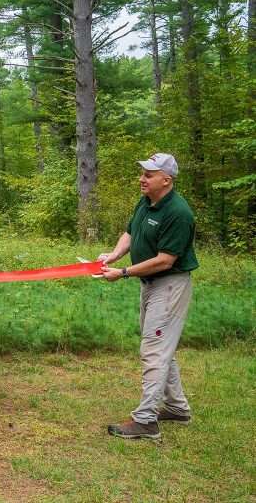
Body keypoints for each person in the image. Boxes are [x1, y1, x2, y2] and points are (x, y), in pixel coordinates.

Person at [99, 153, 198, 440]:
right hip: (150, 284)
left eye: (149, 174)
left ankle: (146, 421)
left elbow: (166, 260)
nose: (142, 178)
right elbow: (130, 231)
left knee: (154, 349)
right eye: (143, 172)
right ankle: (178, 409)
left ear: (166, 180)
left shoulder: (178, 213)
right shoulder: (147, 201)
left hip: (168, 285)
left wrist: (124, 271)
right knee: (161, 346)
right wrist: (114, 255)